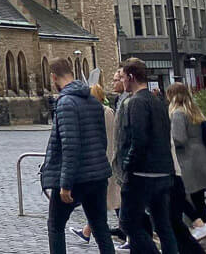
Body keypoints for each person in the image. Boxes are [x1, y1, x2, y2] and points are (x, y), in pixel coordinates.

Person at [41, 58, 115, 254]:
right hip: (98, 176)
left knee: (55, 226)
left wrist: (65, 184)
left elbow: (70, 145)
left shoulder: (65, 102)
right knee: (100, 227)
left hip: (76, 179)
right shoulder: (92, 100)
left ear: (54, 77)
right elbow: (101, 139)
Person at [117, 58, 178, 254]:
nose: (123, 81)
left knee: (128, 223)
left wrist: (128, 165)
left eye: (124, 77)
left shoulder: (136, 102)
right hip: (163, 172)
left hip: (142, 174)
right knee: (163, 225)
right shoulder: (158, 101)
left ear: (131, 77)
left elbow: (139, 138)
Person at [72, 83, 123, 245]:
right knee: (110, 200)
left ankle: (129, 235)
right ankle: (87, 231)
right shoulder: (104, 111)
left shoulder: (103, 112)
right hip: (105, 159)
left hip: (106, 160)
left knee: (112, 200)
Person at [167, 82, 206, 241]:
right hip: (201, 157)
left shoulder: (178, 113)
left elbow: (179, 138)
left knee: (185, 197)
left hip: (187, 159)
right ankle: (205, 231)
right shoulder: (194, 111)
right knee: (199, 200)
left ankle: (199, 230)